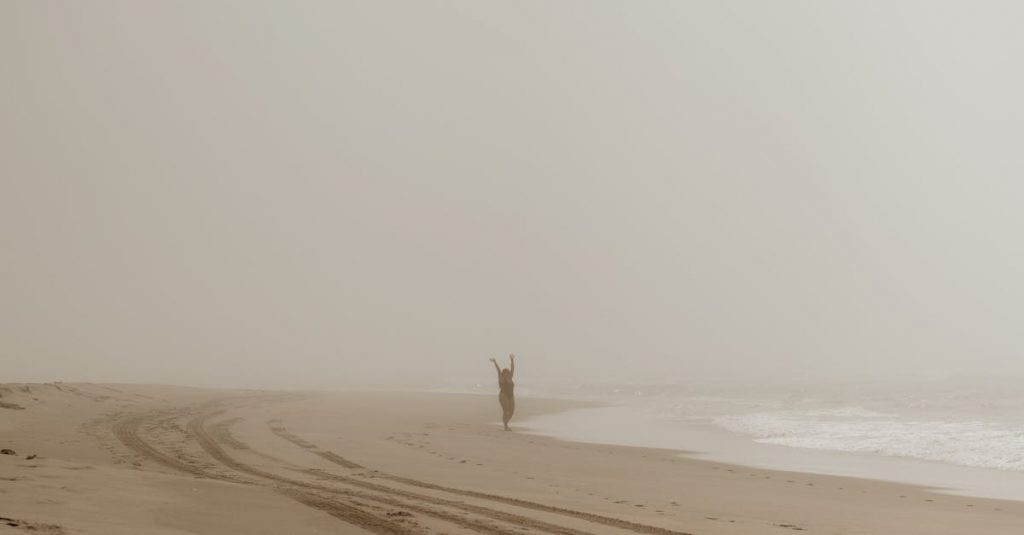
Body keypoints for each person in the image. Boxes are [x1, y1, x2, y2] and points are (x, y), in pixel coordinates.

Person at [489, 353, 515, 430]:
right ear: (504, 374)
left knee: (512, 411)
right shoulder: (502, 379)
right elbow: (498, 371)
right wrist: (495, 362)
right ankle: (505, 426)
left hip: (511, 396)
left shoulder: (510, 378)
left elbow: (513, 368)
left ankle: (506, 423)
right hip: (503, 396)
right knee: (506, 410)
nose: (508, 374)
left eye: (509, 373)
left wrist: (512, 360)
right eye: (506, 373)